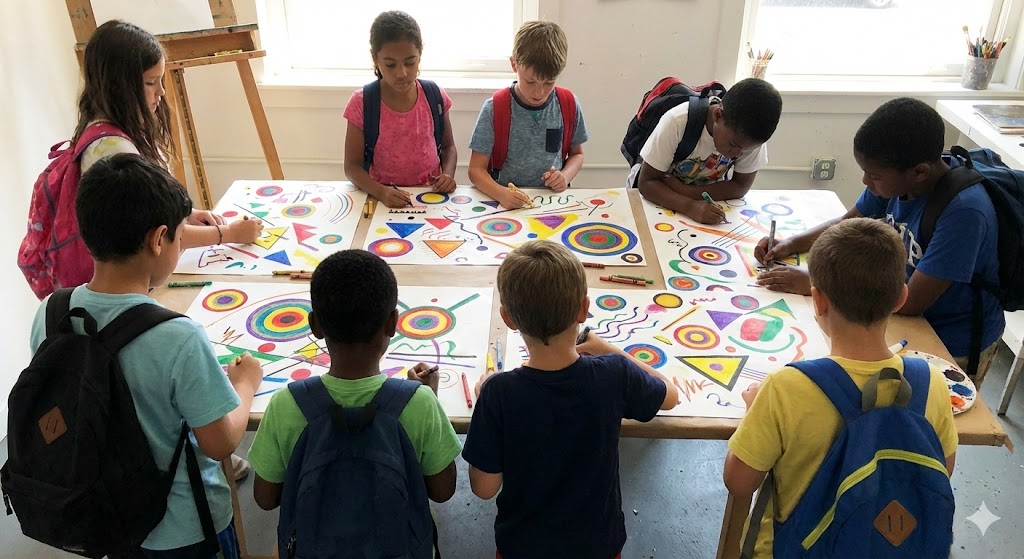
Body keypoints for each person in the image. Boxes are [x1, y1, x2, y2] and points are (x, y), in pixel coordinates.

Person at [29, 153, 263, 558]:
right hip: (184, 529)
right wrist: (245, 385)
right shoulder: (178, 336)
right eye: (179, 237)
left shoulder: (52, 311)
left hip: (102, 513)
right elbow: (221, 443)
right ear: (159, 240)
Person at [725, 217, 958, 558]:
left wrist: (752, 411)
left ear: (817, 300)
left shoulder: (785, 388)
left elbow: (739, 483)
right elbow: (942, 470)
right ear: (900, 298)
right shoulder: (931, 383)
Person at [755, 97, 1004, 386]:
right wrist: (792, 243)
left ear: (920, 172)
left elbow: (912, 301)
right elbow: (848, 222)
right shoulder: (897, 180)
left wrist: (817, 283)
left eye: (873, 176)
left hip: (950, 341)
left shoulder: (964, 213)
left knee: (930, 409)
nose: (865, 181)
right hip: (896, 315)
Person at [463, 240, 678, 558]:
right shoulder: (613, 373)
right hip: (598, 546)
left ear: (508, 318)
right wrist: (609, 349)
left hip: (523, 548)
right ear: (583, 309)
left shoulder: (498, 393)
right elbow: (670, 395)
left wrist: (486, 403)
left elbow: (484, 488)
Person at [247, 250, 461, 509]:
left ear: (314, 325)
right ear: (393, 323)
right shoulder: (420, 402)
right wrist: (426, 397)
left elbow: (266, 499)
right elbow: (442, 491)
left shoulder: (285, 404)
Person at [467, 21, 589, 209]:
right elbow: (476, 170)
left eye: (549, 82)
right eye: (530, 81)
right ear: (514, 64)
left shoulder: (568, 104)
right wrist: (501, 194)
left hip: (552, 202)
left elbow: (577, 154)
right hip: (506, 204)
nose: (539, 93)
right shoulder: (495, 108)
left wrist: (565, 176)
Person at [343, 10, 458, 208]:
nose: (402, 73)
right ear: (375, 59)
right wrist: (381, 192)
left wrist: (447, 175)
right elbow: (352, 167)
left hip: (432, 198)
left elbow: (449, 148)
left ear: (420, 55)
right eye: (390, 65)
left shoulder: (435, 96)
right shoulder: (362, 102)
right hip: (382, 199)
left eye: (410, 62)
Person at [632, 78, 782, 224]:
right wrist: (689, 206)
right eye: (733, 145)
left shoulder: (748, 138)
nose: (738, 154)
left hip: (695, 202)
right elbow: (647, 183)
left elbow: (741, 186)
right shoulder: (677, 121)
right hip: (655, 200)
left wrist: (686, 191)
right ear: (718, 115)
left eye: (746, 150)